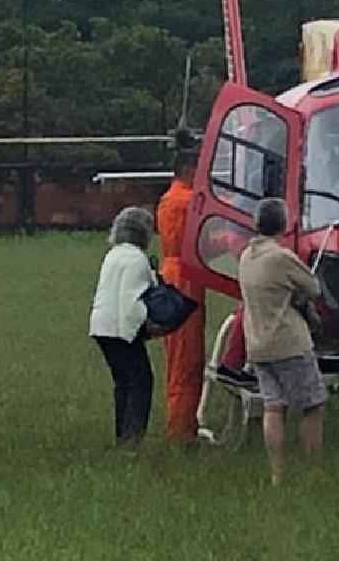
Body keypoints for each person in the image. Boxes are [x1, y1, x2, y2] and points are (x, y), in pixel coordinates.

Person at [237, 197, 325, 486]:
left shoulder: (246, 256)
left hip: (258, 343)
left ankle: (277, 473)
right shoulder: (281, 256)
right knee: (313, 404)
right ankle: (312, 470)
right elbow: (313, 287)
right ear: (283, 225)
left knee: (274, 407)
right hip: (289, 343)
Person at [89, 207, 165, 451]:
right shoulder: (138, 259)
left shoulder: (112, 255)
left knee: (122, 383)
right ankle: (133, 439)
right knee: (141, 382)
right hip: (123, 329)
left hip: (101, 326)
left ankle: (122, 435)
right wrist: (148, 327)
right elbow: (133, 301)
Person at [156, 148, 208, 445]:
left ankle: (183, 423)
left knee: (179, 356)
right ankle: (181, 430)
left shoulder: (171, 198)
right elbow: (208, 236)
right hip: (185, 279)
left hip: (174, 274)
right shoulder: (186, 202)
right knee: (186, 359)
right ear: (190, 169)